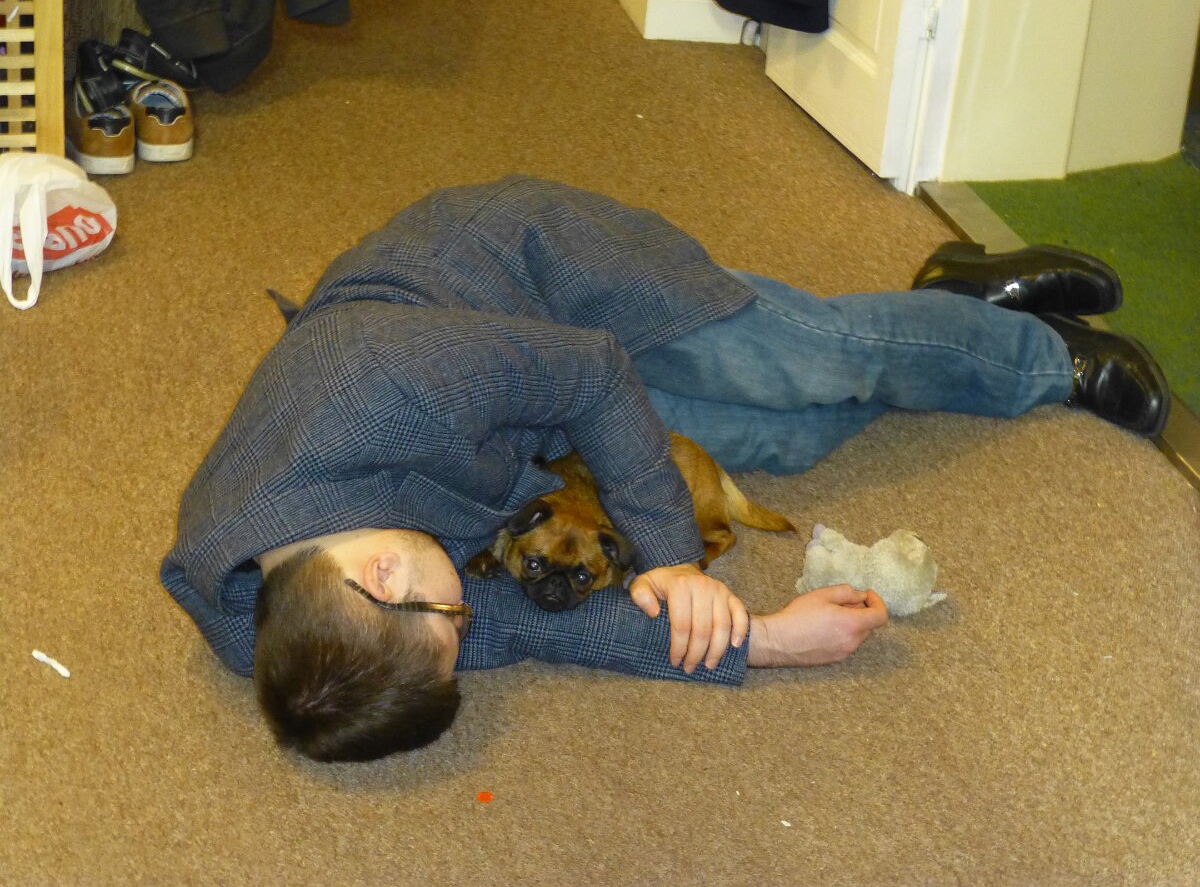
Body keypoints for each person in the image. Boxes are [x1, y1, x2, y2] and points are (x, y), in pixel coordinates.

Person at [161, 175, 1169, 763]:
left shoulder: (382, 383)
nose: (471, 615)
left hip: (547, 279)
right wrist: (761, 642)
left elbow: (592, 372)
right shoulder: (284, 640)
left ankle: (1043, 358)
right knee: (795, 441)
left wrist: (674, 561)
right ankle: (954, 301)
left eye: (450, 619)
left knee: (808, 363)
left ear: (382, 577)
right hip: (522, 413)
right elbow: (522, 627)